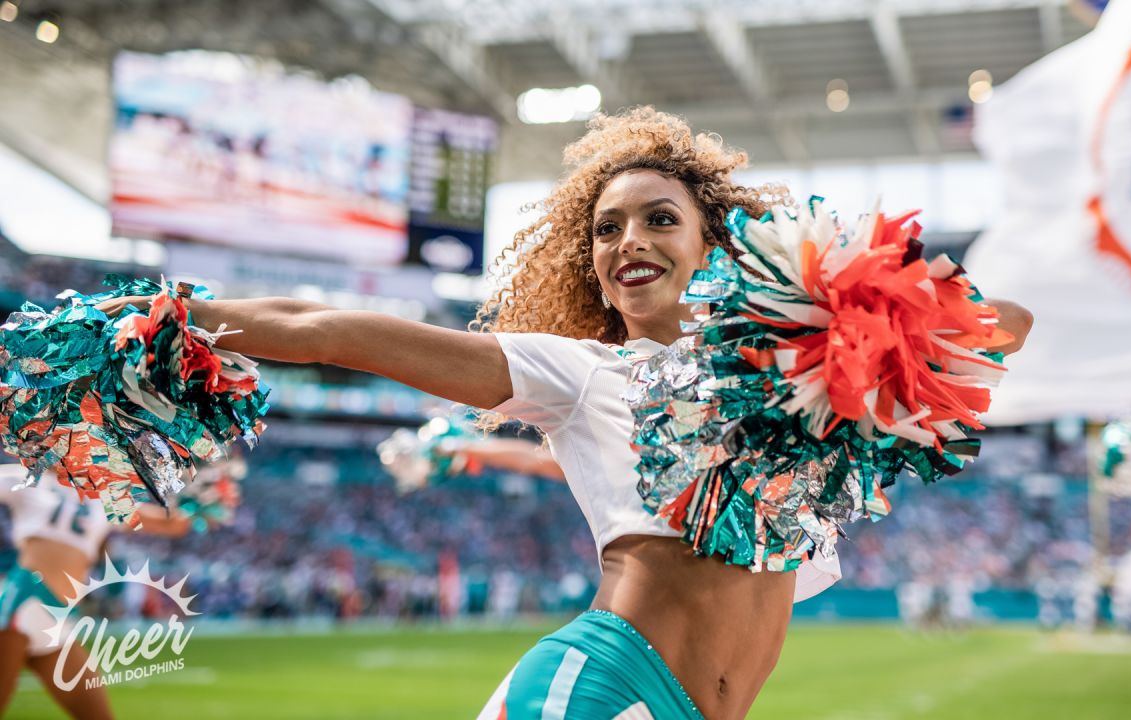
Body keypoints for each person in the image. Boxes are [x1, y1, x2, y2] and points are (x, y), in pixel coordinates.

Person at [99, 108, 1032, 719]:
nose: (629, 240)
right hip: (601, 688)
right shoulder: (579, 373)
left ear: (716, 241)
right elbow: (332, 330)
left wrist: (870, 305)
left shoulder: (800, 380)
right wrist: (158, 321)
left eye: (660, 218)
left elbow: (1003, 330)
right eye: (606, 227)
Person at [0, 466, 195, 719]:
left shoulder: (103, 496)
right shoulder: (25, 478)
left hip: (57, 619)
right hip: (23, 602)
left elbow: (176, 524)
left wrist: (203, 499)